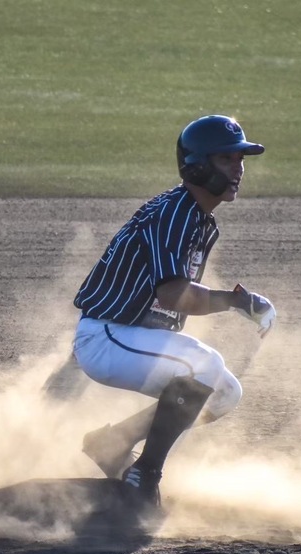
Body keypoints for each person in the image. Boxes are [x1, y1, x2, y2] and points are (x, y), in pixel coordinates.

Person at [71, 114, 276, 507]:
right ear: (197, 165)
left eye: (241, 159)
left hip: (129, 335)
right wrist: (236, 301)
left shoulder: (195, 216)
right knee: (203, 365)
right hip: (107, 336)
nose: (239, 168)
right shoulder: (174, 214)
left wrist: (235, 302)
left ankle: (114, 443)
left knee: (224, 393)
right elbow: (173, 295)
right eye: (227, 159)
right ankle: (143, 477)